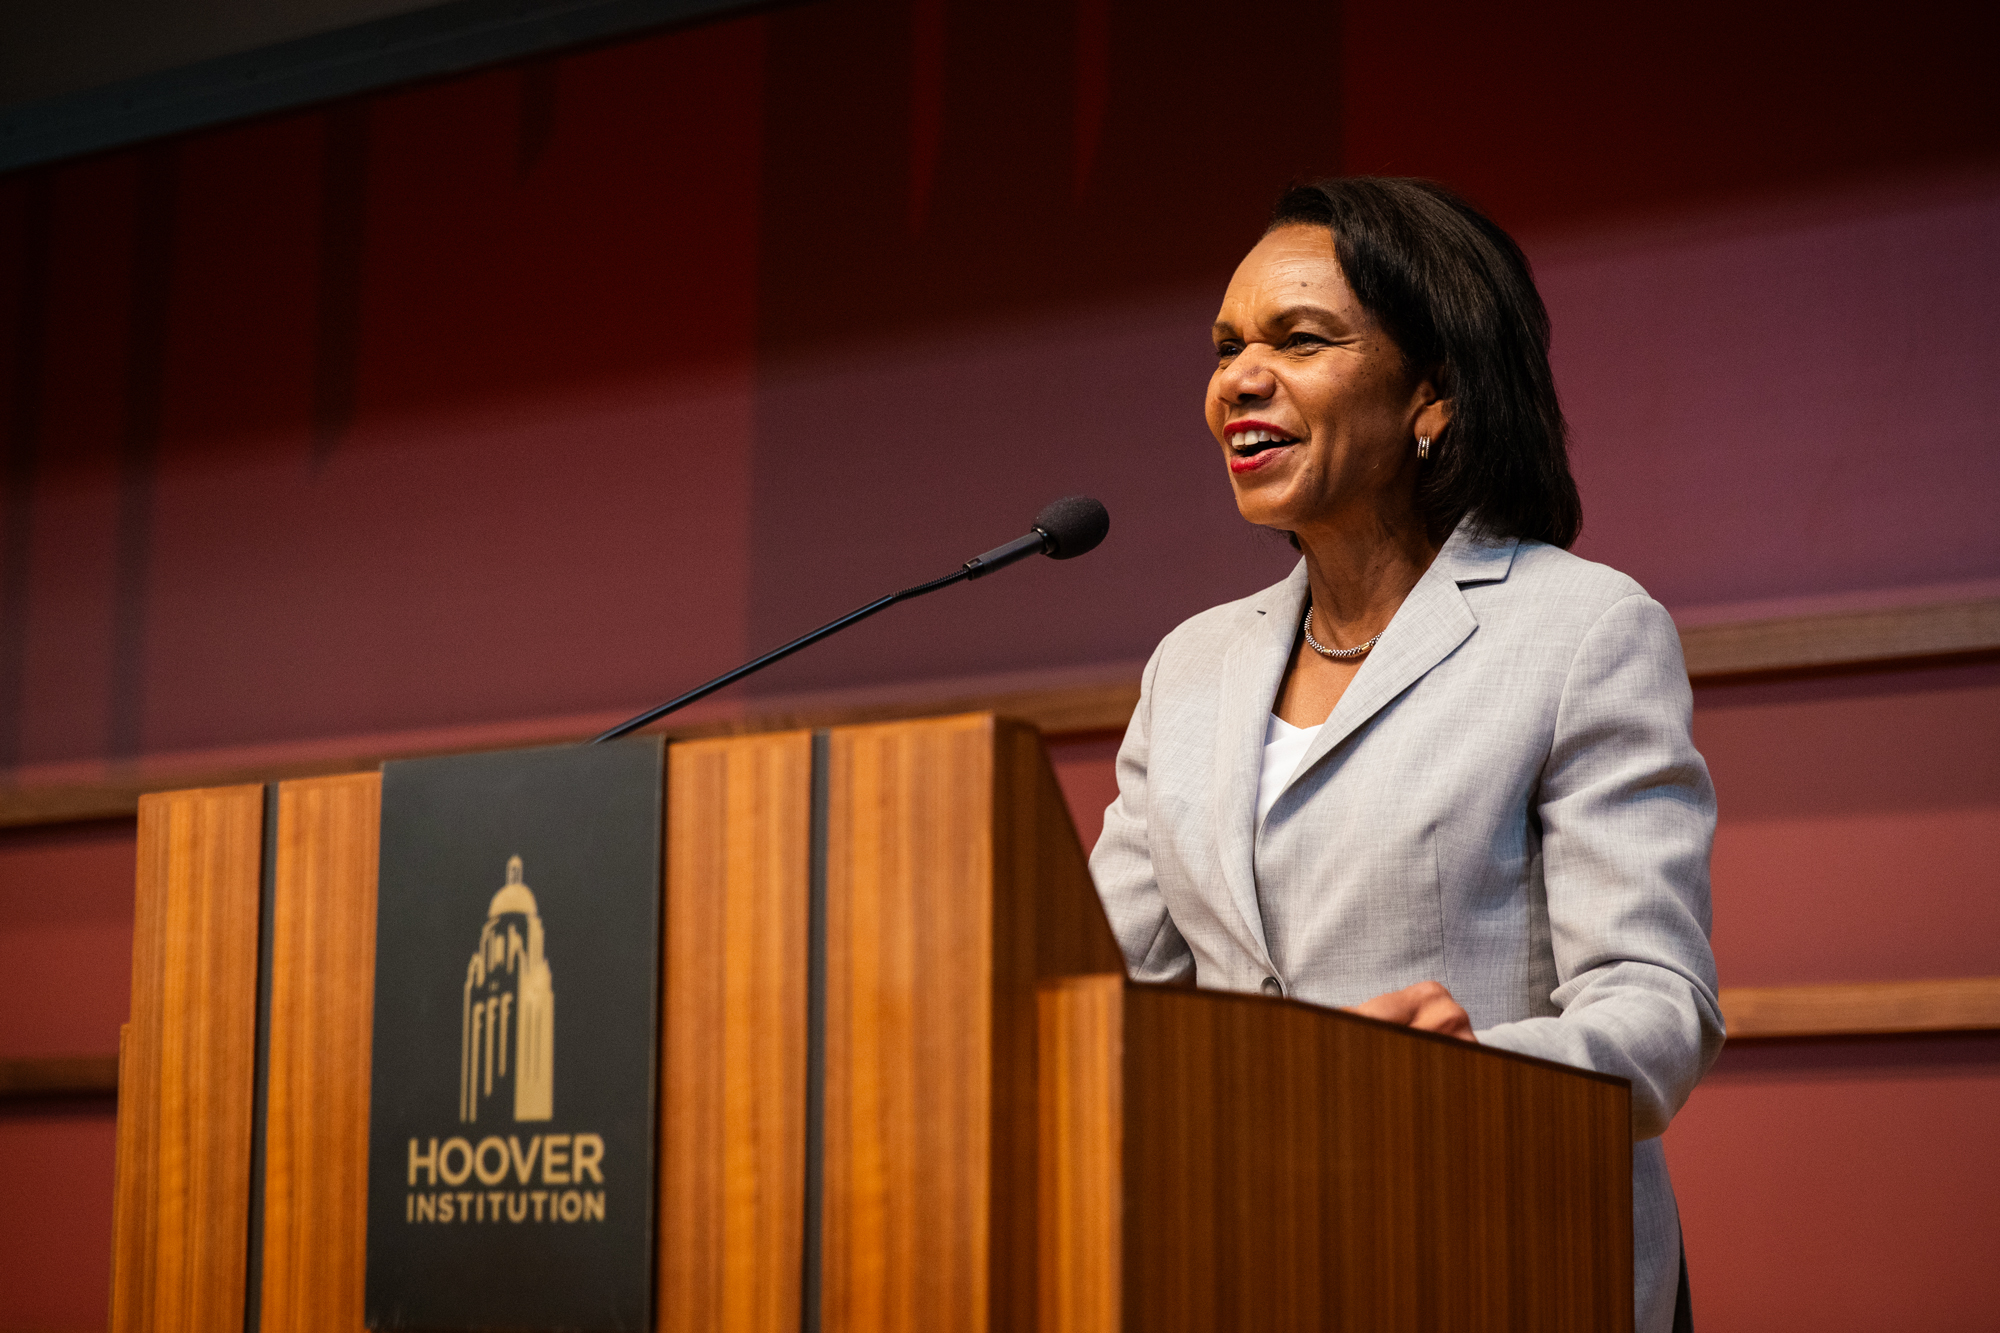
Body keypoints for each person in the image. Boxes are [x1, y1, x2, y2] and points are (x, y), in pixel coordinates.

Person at [1089, 177, 1723, 1333]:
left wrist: (1463, 1074)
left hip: (1495, 1261)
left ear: (1431, 391)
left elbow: (1655, 1010)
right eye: (1225, 346)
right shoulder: (1189, 667)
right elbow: (1100, 997)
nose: (1237, 377)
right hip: (1243, 1268)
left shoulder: (1579, 629)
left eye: (1299, 338)